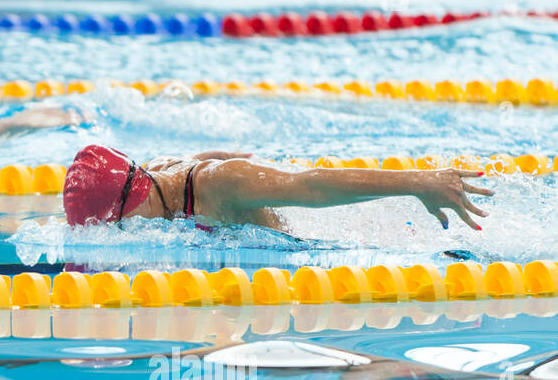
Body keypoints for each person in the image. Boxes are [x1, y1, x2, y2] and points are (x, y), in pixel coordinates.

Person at [62, 144, 492, 232]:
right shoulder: (155, 175)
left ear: (134, 202)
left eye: (118, 226)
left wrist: (418, 182)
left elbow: (313, 186)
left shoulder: (219, 184)